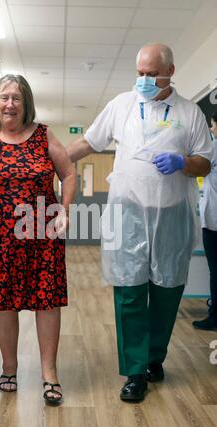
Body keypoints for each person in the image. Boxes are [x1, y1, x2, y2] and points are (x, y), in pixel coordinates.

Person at [67, 43, 212, 402]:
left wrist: (182, 162)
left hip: (171, 213)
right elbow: (89, 141)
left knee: (167, 289)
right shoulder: (122, 104)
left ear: (171, 71)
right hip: (127, 212)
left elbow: (206, 163)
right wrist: (47, 159)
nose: (144, 80)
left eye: (152, 74)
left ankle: (154, 359)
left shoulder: (189, 112)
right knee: (129, 289)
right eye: (140, 73)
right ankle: (134, 372)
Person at [0, 74, 76, 405]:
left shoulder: (43, 135)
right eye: (4, 97)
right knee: (4, 303)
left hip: (41, 233)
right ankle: (9, 367)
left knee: (47, 302)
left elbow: (68, 172)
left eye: (17, 98)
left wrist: (64, 210)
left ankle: (49, 374)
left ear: (27, 104)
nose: (10, 104)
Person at [193, 111, 217, 331]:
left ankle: (215, 316)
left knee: (216, 271)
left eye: (212, 125)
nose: (211, 129)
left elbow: (197, 167)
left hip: (214, 223)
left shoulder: (213, 149)